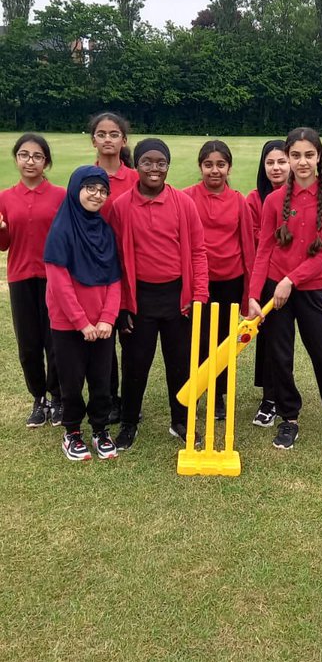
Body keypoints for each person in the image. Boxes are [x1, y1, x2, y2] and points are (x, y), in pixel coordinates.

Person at [248, 127, 322, 449]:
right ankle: (288, 418)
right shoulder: (275, 200)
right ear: (289, 157)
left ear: (319, 156)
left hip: (307, 289)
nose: (302, 161)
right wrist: (253, 295)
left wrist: (290, 280)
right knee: (279, 357)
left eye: (309, 155)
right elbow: (264, 249)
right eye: (296, 155)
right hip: (274, 289)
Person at [109, 138, 209, 451]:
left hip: (177, 297)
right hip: (139, 298)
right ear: (135, 165)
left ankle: (180, 420)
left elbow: (197, 251)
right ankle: (128, 422)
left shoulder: (183, 203)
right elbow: (115, 259)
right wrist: (121, 304)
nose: (154, 168)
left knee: (179, 363)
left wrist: (199, 295)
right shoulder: (121, 206)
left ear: (168, 166)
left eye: (160, 162)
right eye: (147, 162)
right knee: (135, 364)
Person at [44, 166, 121, 461]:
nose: (97, 195)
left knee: (102, 380)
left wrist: (107, 318)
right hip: (69, 325)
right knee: (72, 381)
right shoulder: (61, 229)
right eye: (90, 188)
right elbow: (59, 283)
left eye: (103, 191)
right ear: (76, 188)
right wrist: (81, 322)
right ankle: (72, 432)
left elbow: (115, 279)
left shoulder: (105, 231)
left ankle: (100, 429)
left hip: (102, 325)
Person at [184, 140, 254, 421]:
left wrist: (250, 291)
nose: (215, 170)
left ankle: (218, 396)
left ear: (229, 168)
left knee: (224, 341)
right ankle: (198, 388)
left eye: (221, 165)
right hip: (199, 281)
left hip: (231, 280)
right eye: (209, 164)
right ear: (200, 167)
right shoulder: (187, 197)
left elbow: (248, 246)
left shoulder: (238, 200)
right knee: (199, 340)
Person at [0, 133, 65, 427]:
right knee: (28, 343)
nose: (30, 161)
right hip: (21, 276)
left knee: (55, 341)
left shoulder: (60, 196)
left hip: (54, 278)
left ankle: (57, 397)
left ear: (46, 162)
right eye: (24, 155)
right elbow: (4, 244)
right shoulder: (4, 197)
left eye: (37, 156)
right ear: (16, 158)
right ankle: (38, 398)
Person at [89, 111, 138, 423]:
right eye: (102, 134)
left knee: (131, 339)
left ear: (124, 139)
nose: (108, 139)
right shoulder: (84, 176)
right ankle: (108, 399)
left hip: (133, 271)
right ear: (93, 139)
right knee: (103, 342)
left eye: (114, 134)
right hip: (97, 273)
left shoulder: (136, 178)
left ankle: (131, 402)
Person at [246, 139, 289, 427]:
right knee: (270, 340)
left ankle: (281, 396)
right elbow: (254, 244)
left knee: (285, 343)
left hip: (296, 280)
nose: (276, 167)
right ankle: (269, 399)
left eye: (281, 161)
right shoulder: (255, 198)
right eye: (270, 162)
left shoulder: (303, 197)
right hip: (265, 279)